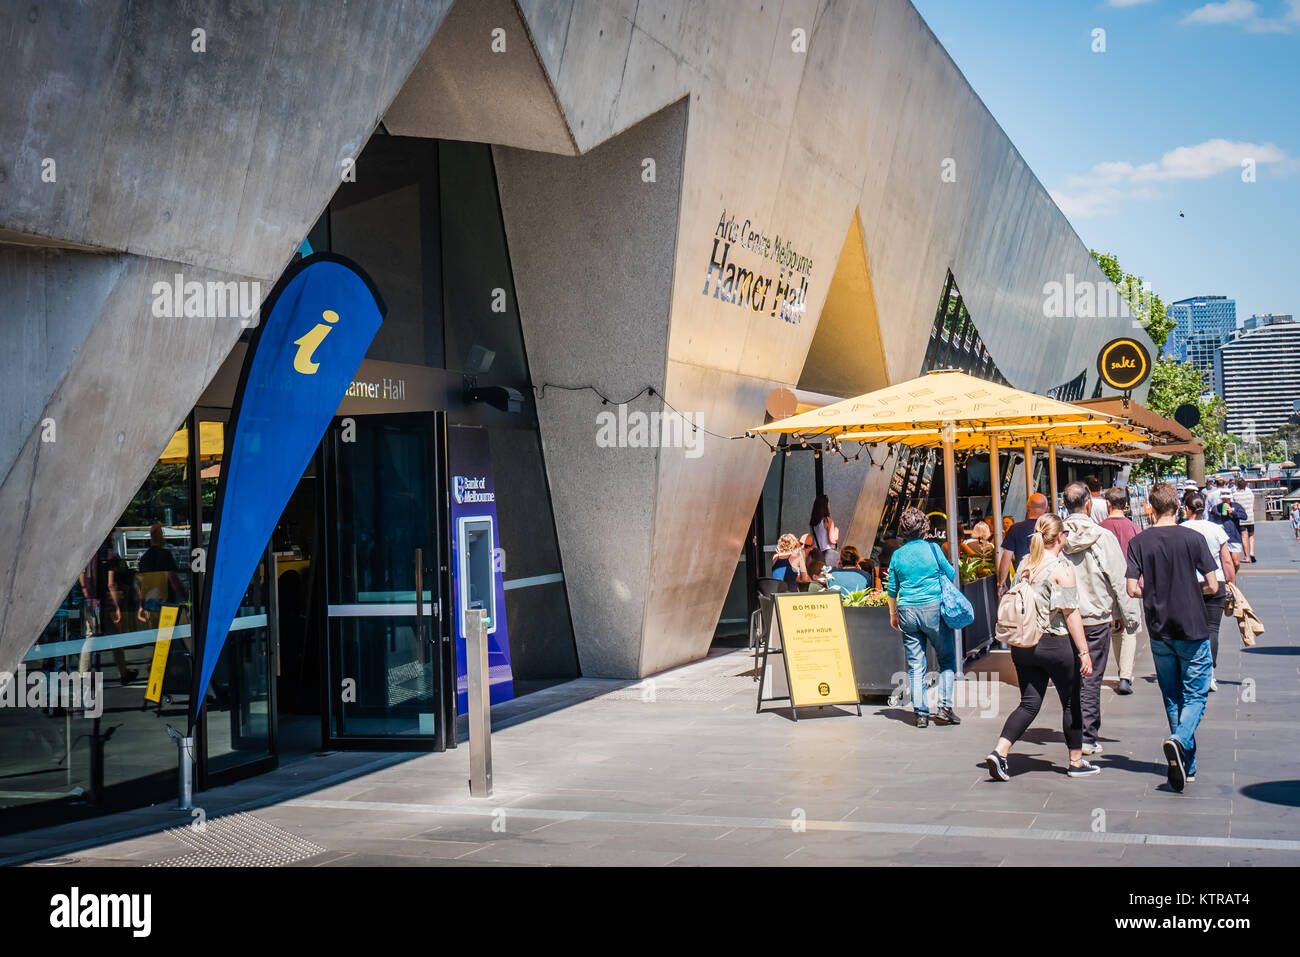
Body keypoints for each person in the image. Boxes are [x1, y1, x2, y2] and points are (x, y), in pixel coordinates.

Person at [986, 514, 1098, 780]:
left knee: (1029, 703)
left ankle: (1000, 751)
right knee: (1071, 702)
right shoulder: (1062, 569)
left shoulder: (1025, 563)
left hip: (1024, 644)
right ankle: (1076, 762)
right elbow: (1071, 614)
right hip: (1054, 643)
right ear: (1060, 537)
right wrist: (1083, 652)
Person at [1125, 482, 1220, 792]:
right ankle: (1179, 741)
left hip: (1159, 627)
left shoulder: (1140, 542)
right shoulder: (1193, 538)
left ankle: (1185, 764)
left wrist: (1151, 593)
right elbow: (1213, 585)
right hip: (1192, 625)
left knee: (1172, 695)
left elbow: (1131, 588)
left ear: (1150, 508)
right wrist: (1194, 591)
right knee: (1197, 693)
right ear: (1177, 507)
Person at [1060, 482, 1142, 754]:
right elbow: (1119, 580)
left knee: (1069, 679)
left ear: (1063, 505)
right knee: (1090, 679)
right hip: (1095, 618)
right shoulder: (1103, 537)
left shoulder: (1053, 537)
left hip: (1061, 619)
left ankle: (1073, 733)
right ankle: (1086, 737)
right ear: (1088, 505)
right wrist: (1128, 618)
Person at [885, 507, 959, 728]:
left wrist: (893, 614)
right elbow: (952, 574)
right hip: (933, 609)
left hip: (907, 610)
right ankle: (944, 708)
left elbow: (891, 589)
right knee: (946, 659)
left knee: (916, 665)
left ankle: (921, 714)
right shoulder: (933, 549)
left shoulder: (898, 555)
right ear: (924, 528)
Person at [1180, 491, 1234, 693]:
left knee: (1190, 629)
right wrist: (1231, 583)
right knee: (1212, 628)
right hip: (1216, 581)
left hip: (1189, 585)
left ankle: (1191, 671)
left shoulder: (1181, 529)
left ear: (1186, 509)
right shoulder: (1216, 529)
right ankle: (1209, 673)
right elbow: (1227, 560)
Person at [1098, 485, 1143, 694]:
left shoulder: (1099, 528)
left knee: (1116, 628)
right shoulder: (1134, 528)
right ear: (1126, 505)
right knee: (1129, 628)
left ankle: (1122, 673)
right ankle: (1125, 675)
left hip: (1105, 586)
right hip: (1129, 586)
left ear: (1108, 504)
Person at [998, 493, 1048, 592]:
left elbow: (1006, 557)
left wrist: (1002, 582)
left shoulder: (1015, 529)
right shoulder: (1051, 528)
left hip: (1023, 581)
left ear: (1027, 508)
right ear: (1047, 509)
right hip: (1048, 579)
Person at [1208, 495, 1246, 572]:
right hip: (1222, 538)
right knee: (1226, 562)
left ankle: (1232, 577)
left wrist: (1232, 512)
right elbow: (1211, 521)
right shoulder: (1216, 508)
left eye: (1227, 499)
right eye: (1223, 499)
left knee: (1236, 563)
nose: (1225, 500)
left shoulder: (1236, 506)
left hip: (1234, 537)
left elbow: (1244, 516)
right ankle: (1228, 581)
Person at [808, 494, 839, 564]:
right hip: (829, 553)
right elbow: (833, 540)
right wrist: (836, 531)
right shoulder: (827, 520)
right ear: (825, 506)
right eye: (828, 504)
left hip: (817, 553)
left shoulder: (813, 523)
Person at [1232, 478, 1257, 563]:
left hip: (1241, 518)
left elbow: (1233, 506)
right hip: (1250, 517)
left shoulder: (1235, 495)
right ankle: (1252, 552)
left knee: (1243, 536)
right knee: (1251, 535)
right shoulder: (1250, 493)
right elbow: (1253, 506)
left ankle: (1246, 556)